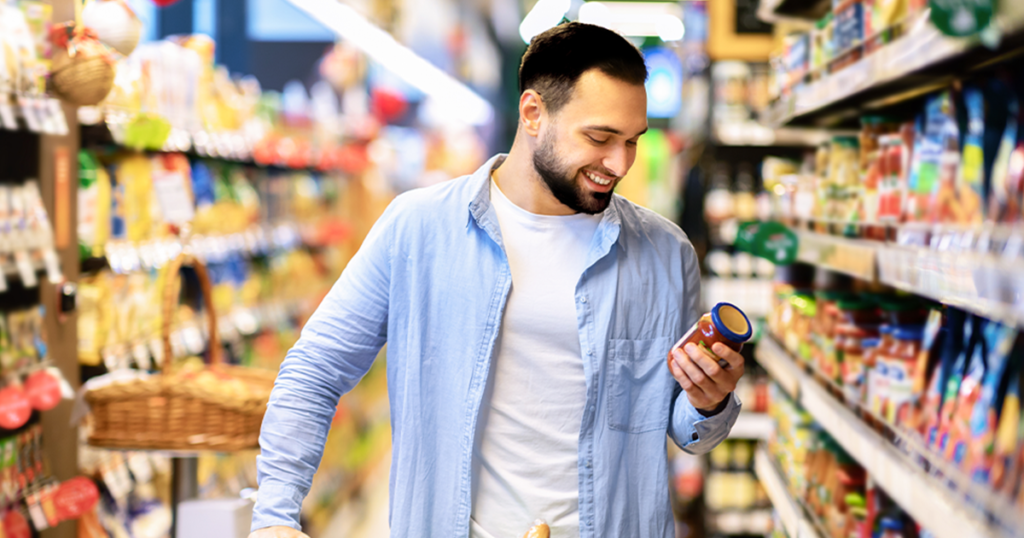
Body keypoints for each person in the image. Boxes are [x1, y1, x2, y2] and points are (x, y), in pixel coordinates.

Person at [249, 22, 744, 538]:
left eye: (632, 142)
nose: (618, 163)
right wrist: (274, 518)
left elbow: (689, 432)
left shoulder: (664, 254)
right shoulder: (419, 230)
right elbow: (315, 370)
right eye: (599, 138)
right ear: (533, 114)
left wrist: (709, 400)